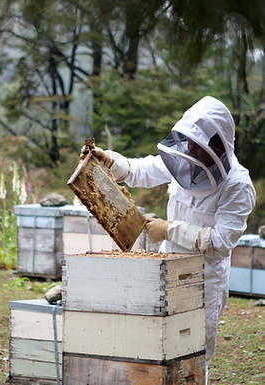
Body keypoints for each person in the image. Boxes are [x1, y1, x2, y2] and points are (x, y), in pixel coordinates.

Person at [80, 96, 256, 384]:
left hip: (204, 281)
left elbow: (222, 242)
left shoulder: (238, 185)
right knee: (158, 351)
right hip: (167, 271)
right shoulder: (185, 158)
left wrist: (169, 229)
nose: (189, 149)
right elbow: (141, 170)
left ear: (218, 145)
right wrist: (110, 160)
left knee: (192, 359)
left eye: (197, 144)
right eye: (187, 141)